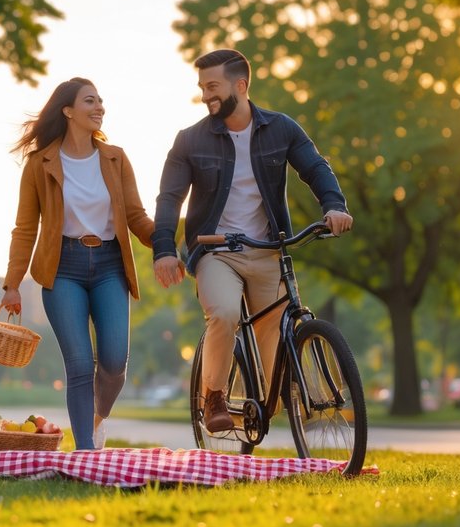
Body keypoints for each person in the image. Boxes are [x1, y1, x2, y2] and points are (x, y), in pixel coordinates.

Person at [152, 49, 354, 433]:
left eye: (212, 87)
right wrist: (164, 249)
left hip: (267, 249)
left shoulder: (281, 129)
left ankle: (275, 401)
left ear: (240, 86)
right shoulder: (190, 141)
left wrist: (334, 206)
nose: (205, 95)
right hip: (215, 252)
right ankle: (213, 396)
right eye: (202, 87)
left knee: (275, 347)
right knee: (225, 313)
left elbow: (315, 167)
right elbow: (168, 199)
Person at [1, 78, 155, 450]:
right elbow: (25, 228)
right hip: (62, 268)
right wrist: (12, 283)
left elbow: (136, 216)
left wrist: (167, 244)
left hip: (109, 266)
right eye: (90, 101)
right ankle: (85, 451)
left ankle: (99, 415)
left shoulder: (115, 158)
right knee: (81, 366)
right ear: (68, 111)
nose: (99, 106)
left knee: (115, 361)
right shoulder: (41, 164)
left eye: (101, 100)